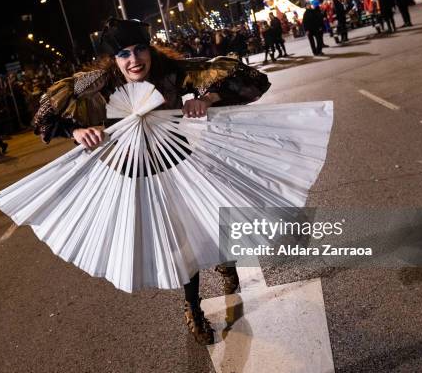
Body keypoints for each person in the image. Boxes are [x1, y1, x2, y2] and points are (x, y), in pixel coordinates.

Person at [32, 18, 272, 345]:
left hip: (181, 164)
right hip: (139, 176)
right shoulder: (97, 83)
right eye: (124, 54)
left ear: (150, 48)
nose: (134, 60)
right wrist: (76, 131)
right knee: (181, 243)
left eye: (140, 49)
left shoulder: (170, 70)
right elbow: (45, 116)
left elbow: (248, 78)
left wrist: (206, 99)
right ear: (112, 60)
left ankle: (226, 264)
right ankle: (192, 307)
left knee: (209, 222)